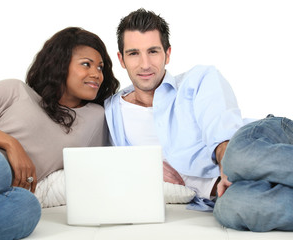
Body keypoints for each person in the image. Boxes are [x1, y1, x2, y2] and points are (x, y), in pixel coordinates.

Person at [0, 27, 119, 240]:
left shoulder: (95, 117)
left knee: (26, 209)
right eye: (86, 64)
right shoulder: (16, 91)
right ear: (60, 63)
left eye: (101, 67)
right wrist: (11, 144)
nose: (97, 74)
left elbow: (99, 165)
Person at [104, 8, 247, 201]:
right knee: (248, 209)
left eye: (153, 51)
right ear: (121, 59)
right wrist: (145, 166)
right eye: (134, 53)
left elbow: (221, 131)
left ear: (168, 54)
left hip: (249, 150)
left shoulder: (196, 82)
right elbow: (104, 163)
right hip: (223, 195)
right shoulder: (112, 112)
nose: (145, 64)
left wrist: (229, 165)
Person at [213, 114, 293, 231]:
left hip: (263, 140)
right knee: (236, 205)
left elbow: (221, 119)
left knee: (237, 156)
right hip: (228, 186)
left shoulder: (185, 99)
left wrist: (223, 160)